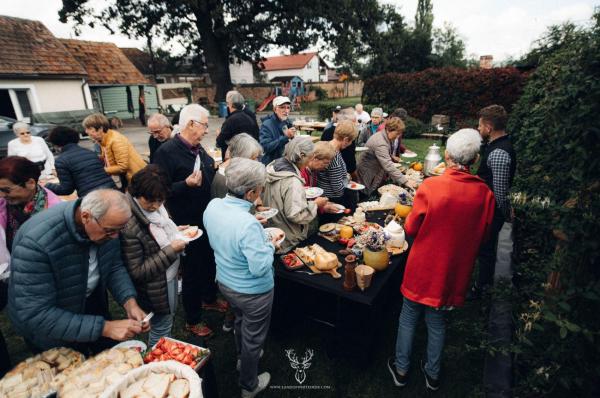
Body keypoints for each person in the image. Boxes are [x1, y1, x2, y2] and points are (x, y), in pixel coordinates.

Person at [388, 129, 496, 391]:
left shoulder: (432, 186)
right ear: (474, 160)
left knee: (409, 315)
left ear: (447, 156)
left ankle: (401, 370)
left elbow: (411, 228)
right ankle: (432, 374)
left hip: (424, 263)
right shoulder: (485, 193)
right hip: (454, 268)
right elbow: (484, 235)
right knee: (437, 321)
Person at [8, 189, 149, 352]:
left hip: (89, 305)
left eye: (120, 230)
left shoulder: (107, 225)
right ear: (86, 217)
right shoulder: (35, 242)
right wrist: (105, 328)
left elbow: (114, 266)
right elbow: (37, 313)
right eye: (110, 231)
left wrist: (129, 302)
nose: (115, 237)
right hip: (52, 329)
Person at [203, 157, 278, 398]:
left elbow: (225, 234)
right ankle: (249, 384)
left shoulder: (213, 205)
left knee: (239, 321)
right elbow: (259, 267)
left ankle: (240, 356)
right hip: (252, 291)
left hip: (225, 282)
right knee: (254, 338)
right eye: (260, 189)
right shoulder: (247, 224)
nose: (261, 192)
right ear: (250, 193)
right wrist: (271, 246)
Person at [152, 104, 225, 337]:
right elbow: (157, 190)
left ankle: (209, 298)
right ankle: (192, 320)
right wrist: (186, 184)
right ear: (191, 124)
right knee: (193, 270)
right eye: (204, 125)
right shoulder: (166, 152)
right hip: (186, 223)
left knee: (210, 261)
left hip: (206, 218)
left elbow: (207, 175)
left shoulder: (197, 148)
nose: (206, 130)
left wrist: (217, 169)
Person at [0, 156, 61, 373]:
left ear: (31, 183)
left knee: (57, 348)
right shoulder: (6, 204)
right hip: (16, 282)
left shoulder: (53, 210)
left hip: (47, 287)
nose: (2, 195)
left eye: (7, 190)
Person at [120, 165, 188, 347]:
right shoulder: (129, 226)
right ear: (136, 192)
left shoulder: (152, 210)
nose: (156, 206)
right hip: (154, 288)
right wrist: (172, 250)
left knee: (167, 320)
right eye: (151, 201)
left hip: (167, 279)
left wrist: (175, 232)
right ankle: (157, 362)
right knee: (161, 327)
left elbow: (159, 232)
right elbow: (137, 271)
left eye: (161, 201)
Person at [471, 105, 517, 298]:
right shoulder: (496, 146)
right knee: (485, 247)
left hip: (492, 211)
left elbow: (499, 190)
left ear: (489, 127)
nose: (479, 129)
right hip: (490, 209)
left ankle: (482, 288)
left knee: (486, 250)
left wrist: (505, 213)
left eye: (480, 125)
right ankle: (482, 283)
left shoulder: (499, 152)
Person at [262, 137, 334, 252]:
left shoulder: (275, 166)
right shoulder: (292, 180)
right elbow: (295, 215)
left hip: (275, 228)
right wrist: (315, 204)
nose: (310, 161)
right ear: (301, 156)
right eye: (310, 157)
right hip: (287, 236)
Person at [43, 126, 116, 197]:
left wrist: (47, 185)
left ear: (56, 143)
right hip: (113, 191)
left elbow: (66, 189)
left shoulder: (61, 161)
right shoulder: (90, 152)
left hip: (93, 198)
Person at [357, 117, 418, 197]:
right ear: (389, 130)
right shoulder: (381, 143)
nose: (398, 136)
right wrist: (405, 181)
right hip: (367, 175)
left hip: (372, 173)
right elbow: (388, 165)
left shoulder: (384, 136)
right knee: (365, 198)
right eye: (397, 133)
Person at [83, 113, 146, 189]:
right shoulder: (103, 139)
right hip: (126, 176)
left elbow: (122, 166)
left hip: (137, 178)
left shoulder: (116, 140)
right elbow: (107, 157)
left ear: (100, 129)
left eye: (89, 128)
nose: (86, 131)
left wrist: (101, 170)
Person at [316, 120, 359, 211]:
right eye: (351, 141)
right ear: (346, 139)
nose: (351, 144)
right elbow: (337, 188)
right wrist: (347, 179)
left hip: (325, 196)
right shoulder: (333, 157)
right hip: (332, 200)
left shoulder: (328, 146)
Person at [211, 133, 264, 200]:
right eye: (253, 158)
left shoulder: (234, 172)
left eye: (257, 158)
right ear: (241, 157)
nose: (257, 162)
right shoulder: (226, 179)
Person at [217, 91, 260, 160]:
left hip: (235, 158)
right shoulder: (249, 117)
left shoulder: (231, 120)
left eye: (227, 103)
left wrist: (219, 134)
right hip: (250, 156)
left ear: (231, 104)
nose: (227, 106)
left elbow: (220, 142)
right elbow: (257, 136)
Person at [320, 107, 359, 180]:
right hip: (342, 177)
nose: (355, 124)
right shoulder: (348, 134)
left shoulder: (327, 131)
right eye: (353, 122)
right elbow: (350, 162)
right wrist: (355, 178)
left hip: (324, 176)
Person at [259, 96, 296, 165]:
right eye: (282, 107)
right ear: (275, 109)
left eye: (288, 107)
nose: (286, 110)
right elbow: (266, 147)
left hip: (286, 163)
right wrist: (286, 137)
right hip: (271, 165)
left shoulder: (288, 122)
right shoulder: (266, 125)